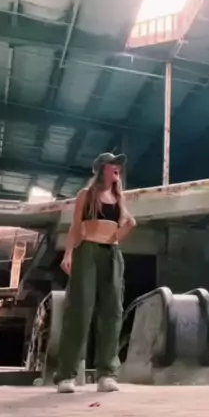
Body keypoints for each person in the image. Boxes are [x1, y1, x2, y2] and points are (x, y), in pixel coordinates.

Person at [55, 152, 136, 394]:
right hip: (87, 251)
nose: (117, 167)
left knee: (112, 311)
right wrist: (68, 254)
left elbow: (128, 223)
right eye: (113, 164)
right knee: (80, 310)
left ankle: (106, 374)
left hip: (112, 253)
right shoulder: (86, 194)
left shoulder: (118, 197)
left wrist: (121, 233)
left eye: (119, 164)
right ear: (102, 168)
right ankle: (66, 375)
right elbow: (75, 226)